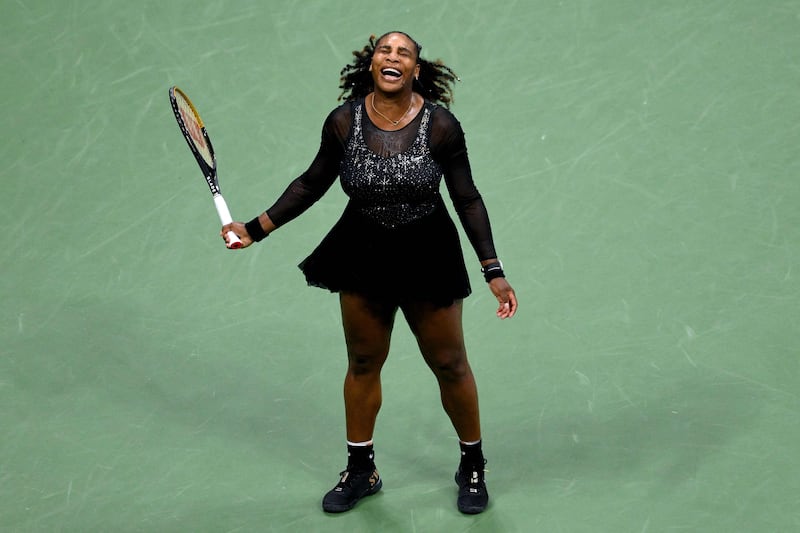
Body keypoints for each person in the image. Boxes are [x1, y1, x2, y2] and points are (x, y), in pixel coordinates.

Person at [221, 31, 517, 515]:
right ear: (373, 63)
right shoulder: (344, 121)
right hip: (361, 252)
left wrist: (493, 269)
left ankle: (473, 464)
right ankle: (362, 470)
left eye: (404, 53)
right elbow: (312, 182)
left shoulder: (441, 125)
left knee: (449, 363)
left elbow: (467, 197)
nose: (393, 56)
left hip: (429, 253)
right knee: (362, 362)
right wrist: (255, 229)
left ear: (416, 70)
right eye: (385, 50)